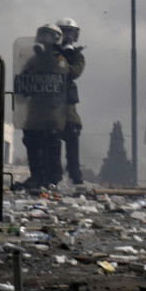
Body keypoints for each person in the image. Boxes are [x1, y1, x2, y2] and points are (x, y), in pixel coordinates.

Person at [15, 24, 69, 190]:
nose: (45, 39)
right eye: (43, 34)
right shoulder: (32, 60)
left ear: (56, 39)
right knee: (32, 143)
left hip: (52, 113)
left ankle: (51, 178)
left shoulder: (60, 60)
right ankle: (36, 176)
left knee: (51, 145)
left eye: (49, 35)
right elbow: (22, 82)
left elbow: (64, 74)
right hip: (33, 113)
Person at [56, 17, 85, 185]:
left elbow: (74, 72)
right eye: (63, 32)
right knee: (50, 138)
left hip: (66, 103)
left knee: (72, 133)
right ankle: (54, 173)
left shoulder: (77, 56)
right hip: (47, 103)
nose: (67, 36)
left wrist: (63, 60)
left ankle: (75, 172)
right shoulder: (47, 53)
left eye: (70, 33)